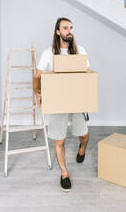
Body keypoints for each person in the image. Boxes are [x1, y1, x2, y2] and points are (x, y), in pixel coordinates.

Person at [34, 17, 90, 192]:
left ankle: (82, 148)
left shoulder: (80, 50)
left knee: (84, 135)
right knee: (60, 140)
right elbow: (38, 76)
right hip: (57, 100)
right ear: (58, 32)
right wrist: (39, 95)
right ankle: (64, 173)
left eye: (71, 27)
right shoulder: (48, 52)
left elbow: (88, 74)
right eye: (65, 28)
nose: (69, 31)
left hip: (77, 99)